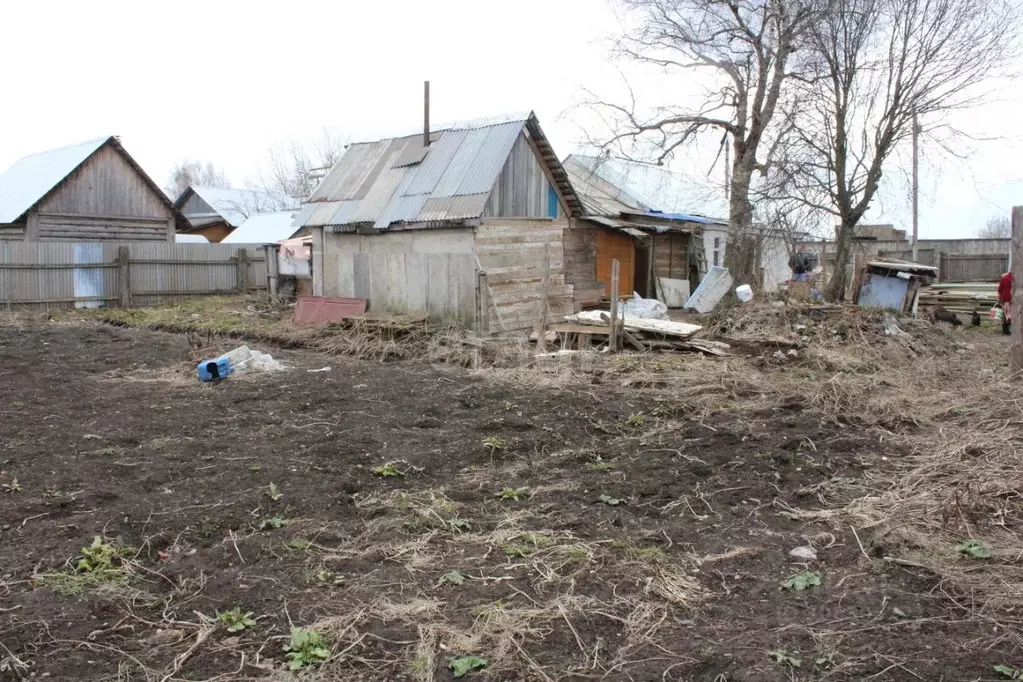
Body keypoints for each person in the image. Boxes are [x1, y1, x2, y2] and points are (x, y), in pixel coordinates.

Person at [998, 271, 1013, 335]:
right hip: (1013, 300)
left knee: (1005, 315)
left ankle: (1005, 330)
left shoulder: (1004, 278)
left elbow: (999, 290)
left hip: (1005, 299)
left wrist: (999, 299)